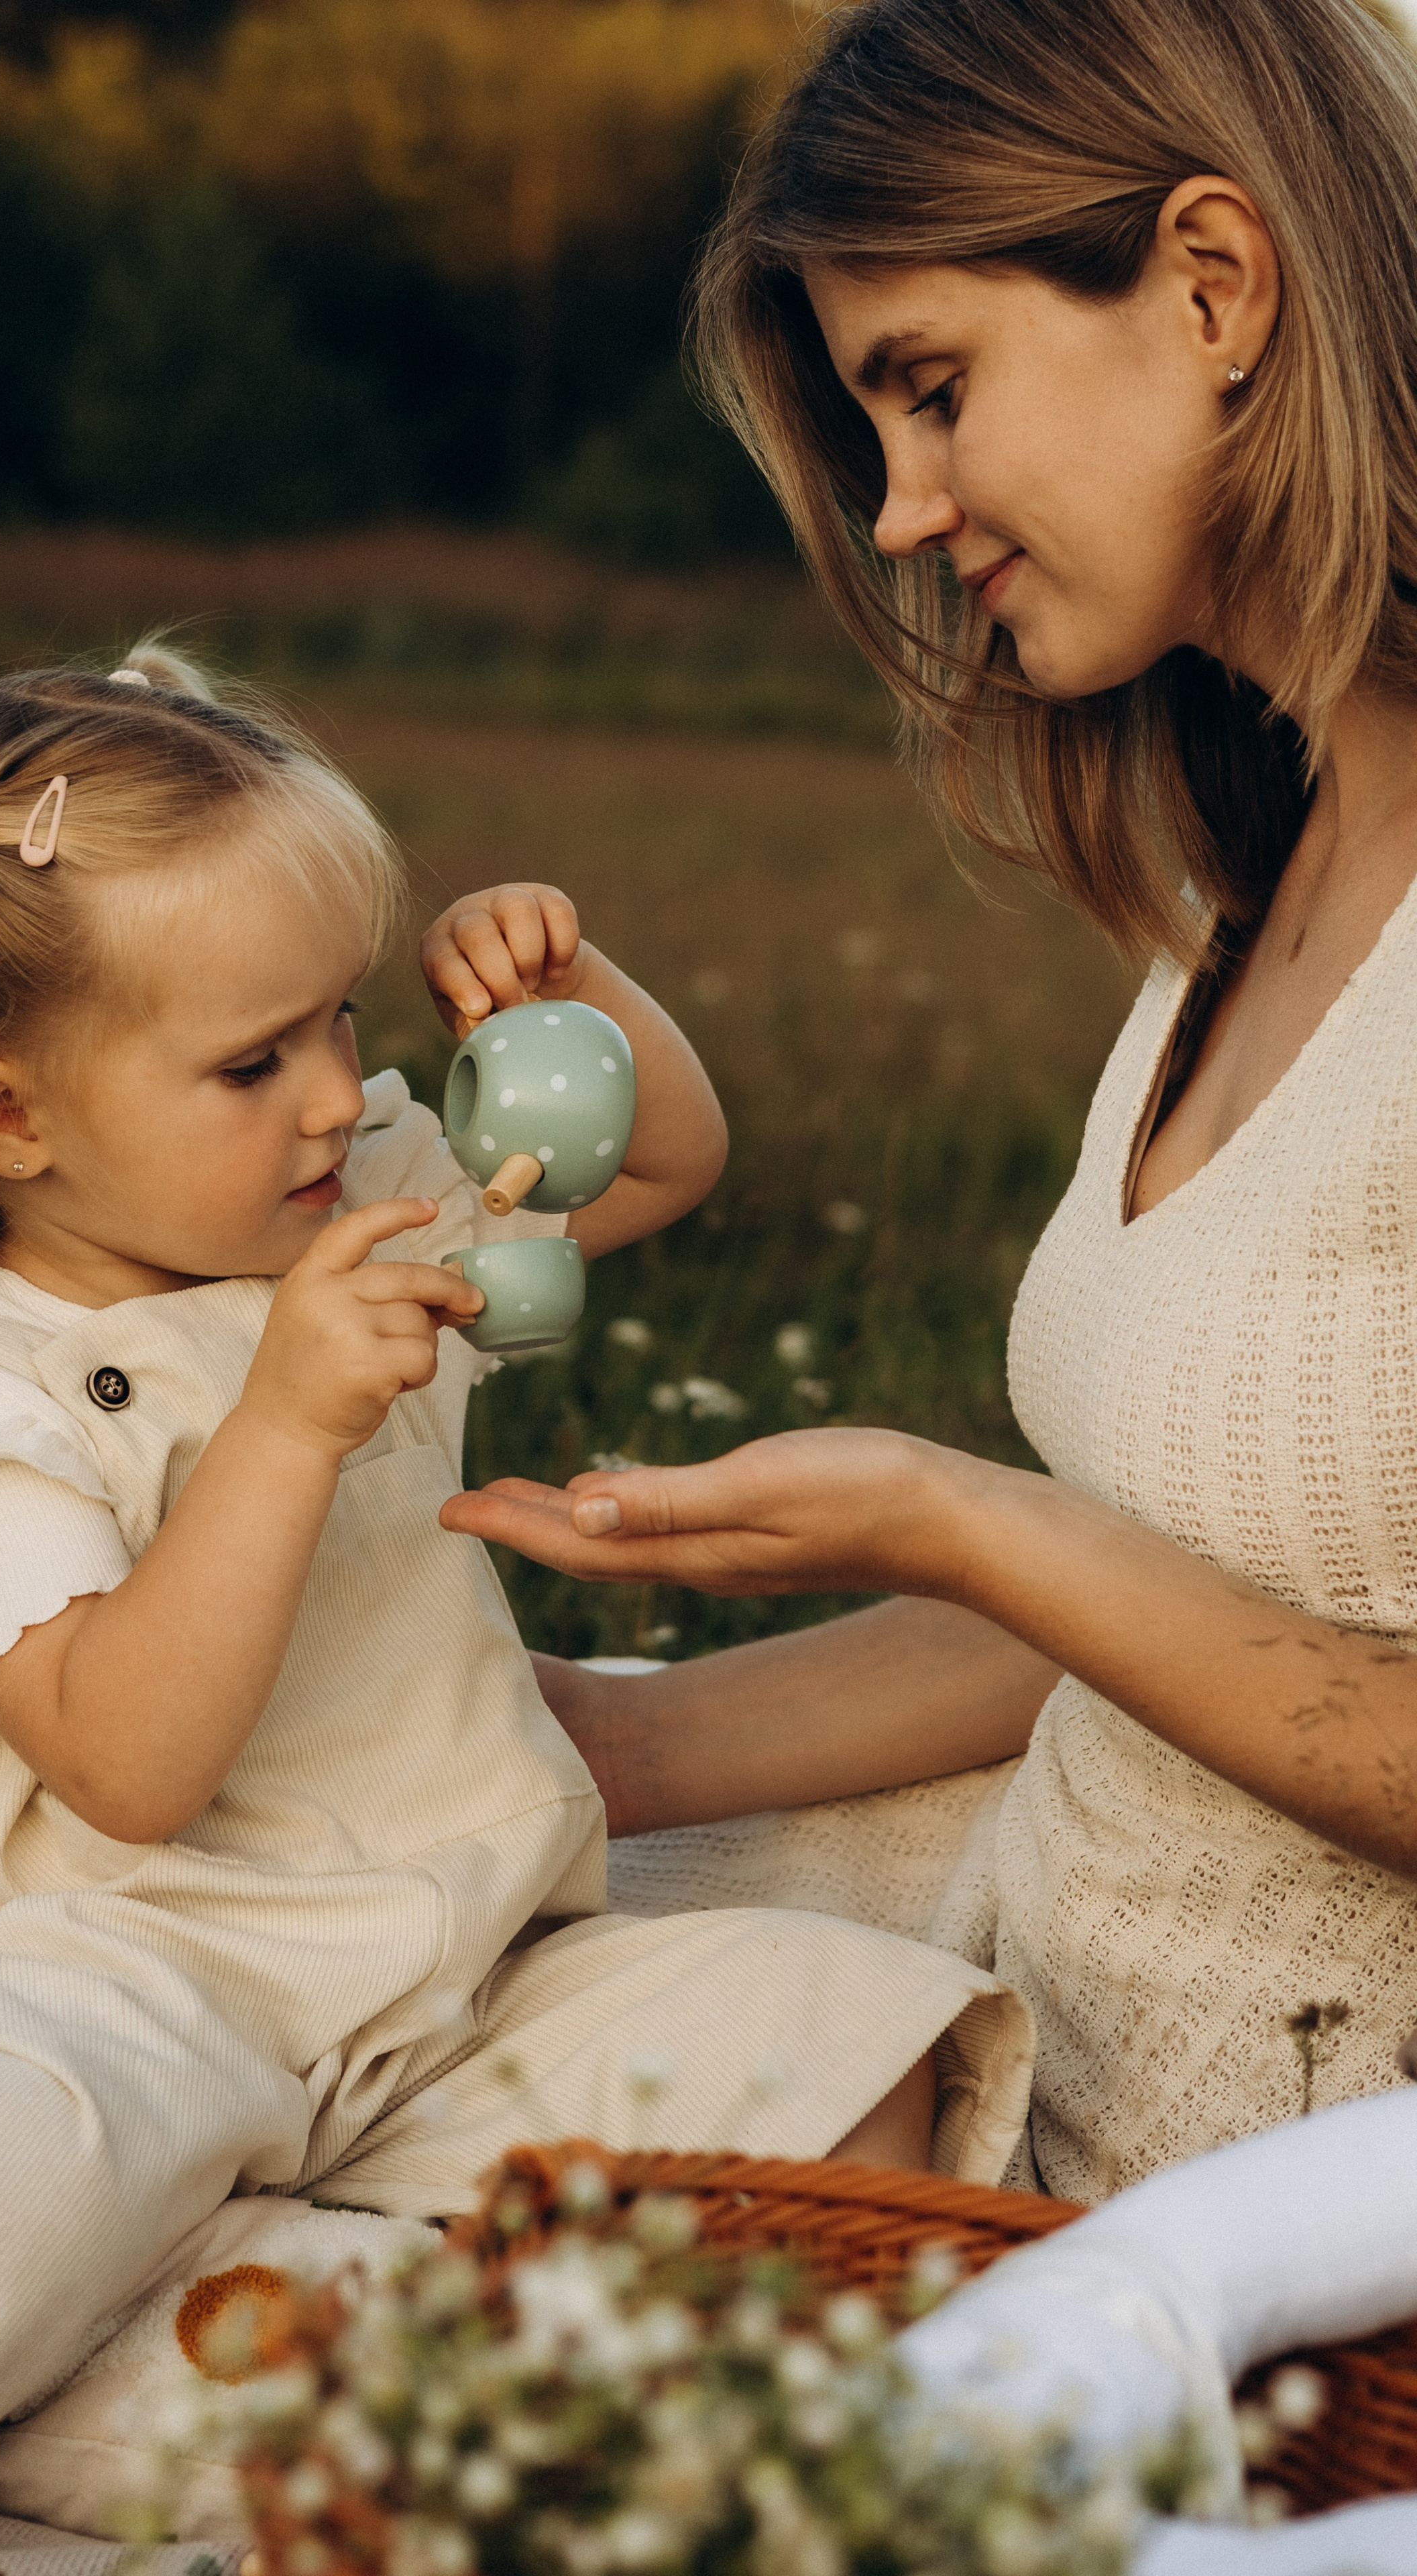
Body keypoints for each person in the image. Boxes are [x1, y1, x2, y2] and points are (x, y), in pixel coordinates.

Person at [0, 645, 1031, 2559]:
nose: (336, 1094)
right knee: (2, 2185)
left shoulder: (354, 1202)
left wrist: (578, 1000)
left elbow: (670, 1156)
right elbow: (131, 1766)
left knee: (842, 2036)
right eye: (254, 1061)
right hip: (119, 1979)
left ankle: (715, 2428)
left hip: (439, 1964)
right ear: (9, 1121)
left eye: (339, 1015)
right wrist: (286, 1421)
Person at [445, 0, 1417, 2207]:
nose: (899, 514)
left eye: (933, 389)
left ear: (1213, 282)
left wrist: (956, 1507)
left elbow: (1079, 1574)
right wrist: (604, 1743)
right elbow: (1164, 1606)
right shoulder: (1241, 897)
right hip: (1013, 1980)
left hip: (1243, 2207)